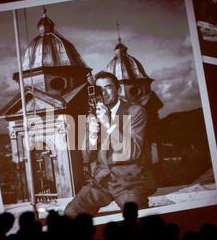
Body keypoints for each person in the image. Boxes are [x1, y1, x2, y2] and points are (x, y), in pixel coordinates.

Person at [64, 71, 156, 218]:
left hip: (130, 180)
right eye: (100, 89)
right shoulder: (92, 114)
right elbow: (87, 157)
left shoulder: (135, 111)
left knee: (136, 216)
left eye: (108, 87)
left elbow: (132, 152)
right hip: (101, 181)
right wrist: (93, 135)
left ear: (118, 90)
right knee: (70, 213)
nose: (104, 93)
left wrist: (108, 123)